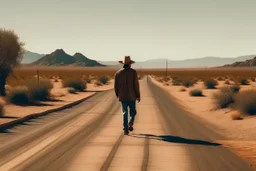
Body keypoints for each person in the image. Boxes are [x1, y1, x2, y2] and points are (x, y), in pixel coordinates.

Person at [114, 56, 141, 135]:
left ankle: (125, 129)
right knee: (133, 111)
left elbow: (116, 85)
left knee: (124, 112)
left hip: (123, 96)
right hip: (132, 96)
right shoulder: (133, 72)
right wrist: (138, 95)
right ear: (130, 64)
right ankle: (131, 122)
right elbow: (136, 85)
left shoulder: (118, 73)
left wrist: (117, 94)